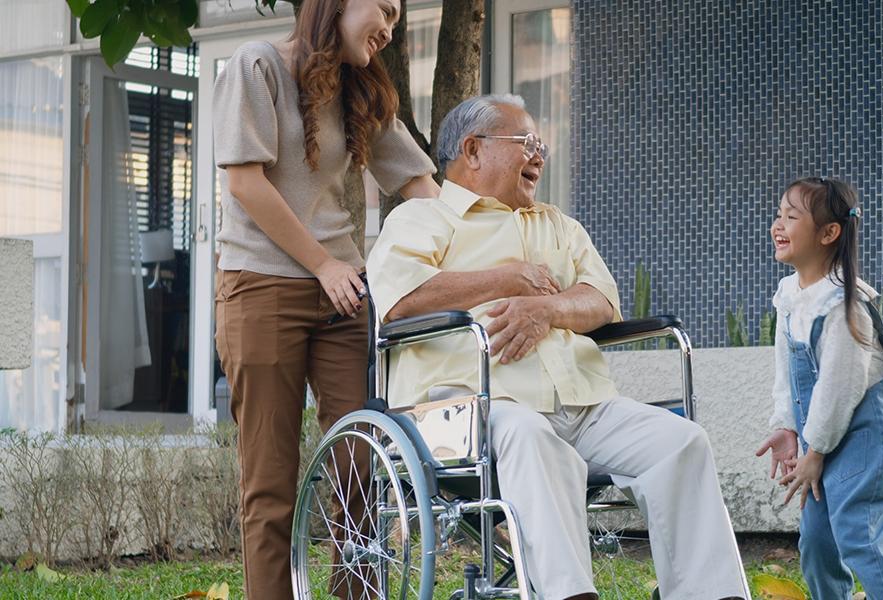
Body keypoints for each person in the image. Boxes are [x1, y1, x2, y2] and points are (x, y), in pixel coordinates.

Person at [367, 94, 749, 600]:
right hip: (469, 409)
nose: (539, 155)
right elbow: (400, 300)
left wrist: (547, 309)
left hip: (581, 403)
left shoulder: (557, 225)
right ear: (473, 150)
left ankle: (708, 595)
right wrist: (505, 279)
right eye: (525, 142)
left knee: (680, 441)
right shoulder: (423, 219)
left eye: (542, 144)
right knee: (531, 436)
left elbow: (601, 299)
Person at [211, 0, 439, 597]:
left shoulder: (359, 92)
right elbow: (244, 181)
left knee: (361, 463)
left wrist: (482, 247)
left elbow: (419, 187)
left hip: (344, 299)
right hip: (262, 288)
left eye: (397, 18)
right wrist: (321, 264)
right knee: (270, 483)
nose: (389, 29)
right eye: (384, 10)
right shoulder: (256, 65)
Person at [756, 177, 883, 599]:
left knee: (862, 537)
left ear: (828, 233)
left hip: (864, 437)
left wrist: (815, 451)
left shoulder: (844, 306)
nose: (778, 224)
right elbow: (786, 369)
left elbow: (839, 388)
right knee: (818, 543)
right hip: (819, 442)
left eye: (792, 216)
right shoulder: (791, 294)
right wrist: (787, 425)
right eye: (778, 214)